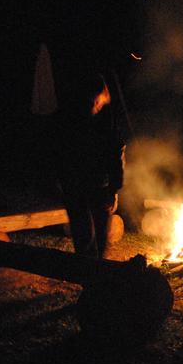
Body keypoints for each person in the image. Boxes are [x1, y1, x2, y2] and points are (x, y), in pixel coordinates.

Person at [53, 71, 126, 259]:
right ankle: (91, 277)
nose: (98, 104)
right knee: (90, 235)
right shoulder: (76, 119)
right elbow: (115, 155)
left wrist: (114, 188)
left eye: (99, 101)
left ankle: (93, 277)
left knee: (91, 236)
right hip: (84, 186)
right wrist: (114, 188)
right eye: (96, 100)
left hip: (86, 186)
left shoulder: (101, 118)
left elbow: (116, 154)